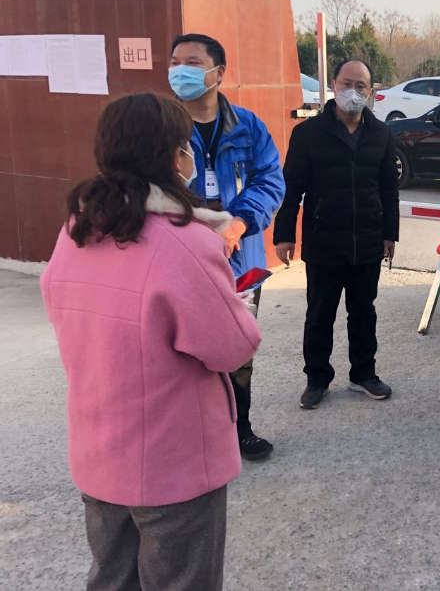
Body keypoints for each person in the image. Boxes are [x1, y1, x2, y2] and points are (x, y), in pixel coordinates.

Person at [40, 93, 262, 591]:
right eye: (184, 145)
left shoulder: (77, 229)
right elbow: (232, 347)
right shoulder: (186, 241)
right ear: (172, 155)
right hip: (173, 461)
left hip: (99, 449)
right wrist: (237, 307)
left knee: (112, 578)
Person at [169, 33, 285, 461]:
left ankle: (241, 429)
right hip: (180, 259)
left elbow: (270, 181)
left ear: (218, 73)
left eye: (192, 62)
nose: (180, 71)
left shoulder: (248, 126)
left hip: (240, 260)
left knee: (237, 346)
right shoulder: (162, 126)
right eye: (175, 62)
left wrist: (238, 224)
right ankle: (191, 435)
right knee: (181, 350)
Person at [274, 59, 399, 410]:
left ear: (371, 92)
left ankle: (364, 374)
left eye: (361, 86)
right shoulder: (308, 133)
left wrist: (390, 234)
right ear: (333, 85)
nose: (353, 92)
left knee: (364, 313)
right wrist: (284, 234)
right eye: (346, 84)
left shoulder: (381, 134)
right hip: (323, 240)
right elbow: (292, 187)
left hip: (368, 241)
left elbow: (389, 190)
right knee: (319, 314)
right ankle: (317, 379)